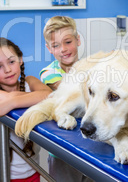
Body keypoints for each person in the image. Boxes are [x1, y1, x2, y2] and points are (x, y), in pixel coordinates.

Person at [0, 37, 52, 182]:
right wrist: (32, 97)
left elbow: (50, 96)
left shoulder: (30, 81)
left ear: (20, 59)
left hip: (32, 170)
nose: (7, 70)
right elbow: (44, 96)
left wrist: (11, 102)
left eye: (11, 62)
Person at [41, 15, 93, 182]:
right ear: (49, 48)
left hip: (92, 145)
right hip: (62, 150)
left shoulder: (91, 66)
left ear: (78, 40)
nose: (63, 49)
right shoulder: (49, 73)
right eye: (56, 45)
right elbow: (69, 90)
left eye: (68, 42)